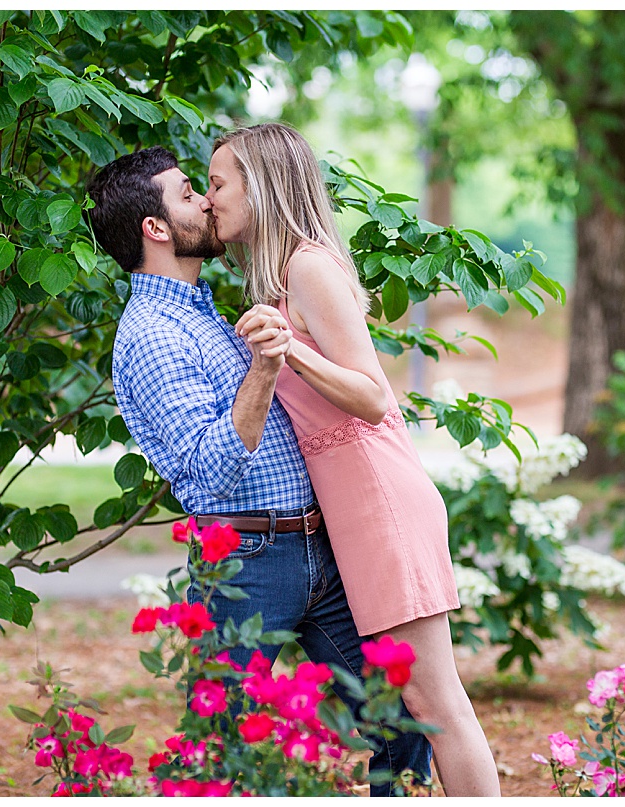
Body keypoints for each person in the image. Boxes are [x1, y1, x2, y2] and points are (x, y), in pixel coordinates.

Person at [86, 146, 432, 796]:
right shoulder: (153, 336)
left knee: (401, 718)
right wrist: (269, 366)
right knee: (224, 753)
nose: (207, 201)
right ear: (155, 229)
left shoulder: (203, 308)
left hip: (318, 553)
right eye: (190, 193)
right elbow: (210, 469)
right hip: (247, 564)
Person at [206, 123, 502, 796]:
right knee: (417, 704)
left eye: (220, 182)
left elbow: (373, 395)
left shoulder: (308, 266)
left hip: (382, 503)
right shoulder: (280, 276)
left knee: (436, 705)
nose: (211, 197)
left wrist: (290, 348)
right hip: (354, 511)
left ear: (263, 184)